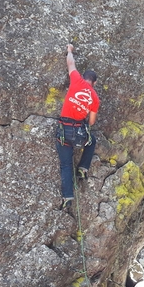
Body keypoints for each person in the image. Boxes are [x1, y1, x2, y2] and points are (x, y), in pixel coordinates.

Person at [56, 44, 100, 210]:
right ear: (94, 83)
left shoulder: (76, 80)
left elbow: (70, 64)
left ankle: (68, 196)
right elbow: (92, 122)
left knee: (66, 165)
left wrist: (69, 51)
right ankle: (82, 168)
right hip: (79, 133)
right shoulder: (95, 97)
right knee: (92, 141)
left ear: (84, 77)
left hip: (63, 130)